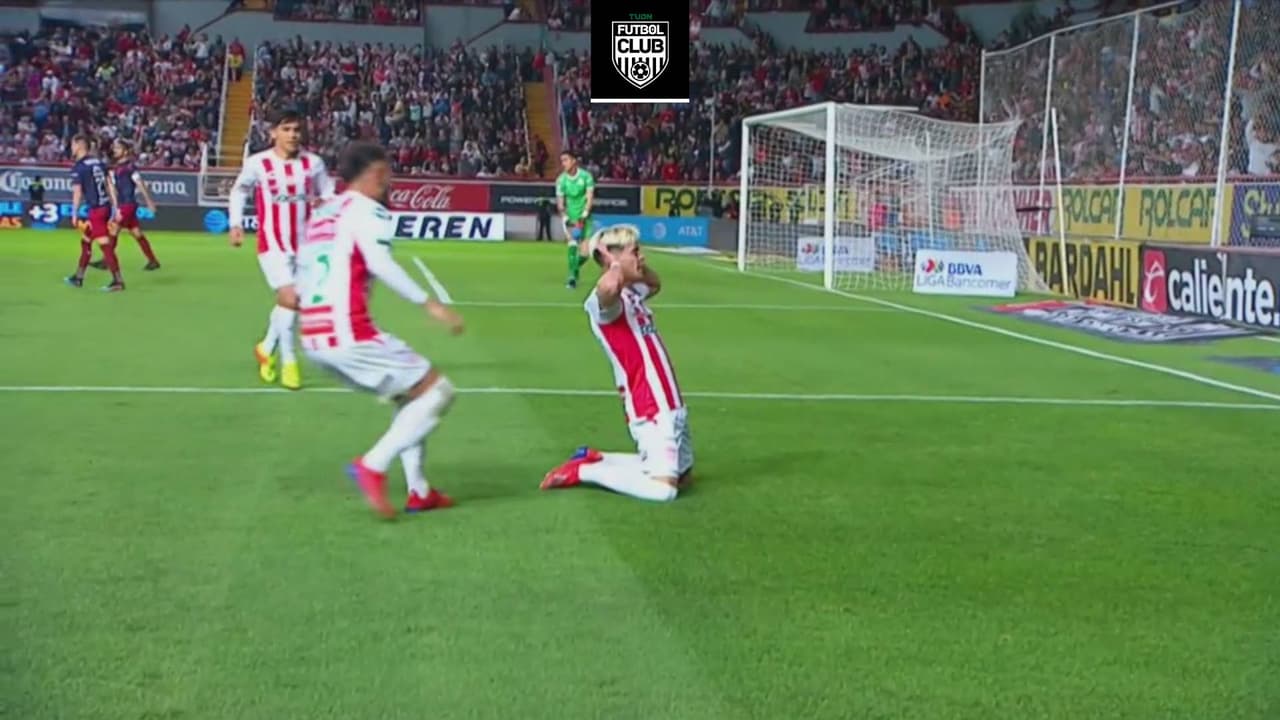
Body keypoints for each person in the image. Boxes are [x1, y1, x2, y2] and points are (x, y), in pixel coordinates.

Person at [295, 141, 466, 519]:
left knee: (410, 394)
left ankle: (420, 490)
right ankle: (373, 465)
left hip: (314, 334)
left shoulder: (323, 212)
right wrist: (430, 304)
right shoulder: (368, 210)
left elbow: (303, 270)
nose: (389, 184)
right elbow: (380, 262)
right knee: (438, 391)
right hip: (348, 331)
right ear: (374, 173)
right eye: (386, 175)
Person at [541, 225, 692, 503]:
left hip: (671, 401)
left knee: (683, 476)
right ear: (612, 258)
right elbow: (607, 287)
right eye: (635, 252)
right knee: (665, 490)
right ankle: (584, 471)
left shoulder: (632, 293)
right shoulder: (605, 305)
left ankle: (597, 458)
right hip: (649, 405)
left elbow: (655, 283)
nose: (642, 257)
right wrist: (613, 263)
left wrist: (632, 266)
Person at [227, 108, 335, 391]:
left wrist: (326, 207)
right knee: (289, 297)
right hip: (273, 244)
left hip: (307, 246)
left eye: (297, 130)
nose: (292, 135)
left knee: (291, 303)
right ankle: (289, 362)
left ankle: (266, 348)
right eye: (286, 129)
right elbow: (239, 190)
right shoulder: (258, 163)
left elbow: (328, 194)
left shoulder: (313, 163)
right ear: (273, 132)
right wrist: (235, 223)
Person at [64, 136, 124, 292]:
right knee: (86, 241)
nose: (71, 148)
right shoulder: (99, 163)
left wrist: (74, 213)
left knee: (105, 245)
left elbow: (77, 193)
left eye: (73, 145)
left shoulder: (79, 167)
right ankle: (78, 277)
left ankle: (118, 281)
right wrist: (115, 206)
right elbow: (109, 185)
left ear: (79, 146)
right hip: (105, 207)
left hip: (96, 210)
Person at [92, 140, 160, 271]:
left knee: (113, 230)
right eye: (115, 147)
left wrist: (149, 202)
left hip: (127, 205)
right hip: (126, 205)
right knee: (136, 233)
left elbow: (140, 184)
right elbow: (114, 189)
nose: (115, 150)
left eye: (118, 148)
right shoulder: (116, 167)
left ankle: (106, 260)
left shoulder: (130, 168)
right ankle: (153, 260)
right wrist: (115, 204)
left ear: (125, 151)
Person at [554, 150, 594, 289]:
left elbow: (590, 197)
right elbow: (560, 203)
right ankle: (572, 278)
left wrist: (585, 213)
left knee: (586, 254)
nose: (563, 163)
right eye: (562, 161)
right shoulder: (561, 180)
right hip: (570, 218)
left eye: (566, 160)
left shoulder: (586, 177)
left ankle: (573, 271)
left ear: (573, 161)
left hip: (585, 217)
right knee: (572, 245)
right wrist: (565, 216)